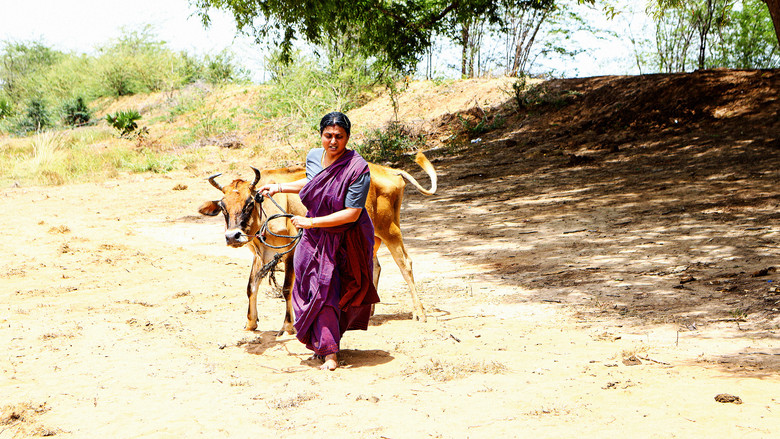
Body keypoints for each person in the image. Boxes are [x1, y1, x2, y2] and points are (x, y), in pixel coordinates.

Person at [259, 112, 379, 371]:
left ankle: (330, 352)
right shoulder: (314, 156)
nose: (333, 141)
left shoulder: (358, 168)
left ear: (347, 137)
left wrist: (311, 222)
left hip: (346, 237)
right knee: (308, 285)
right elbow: (313, 181)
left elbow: (352, 213)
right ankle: (322, 342)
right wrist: (278, 187)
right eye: (328, 136)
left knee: (330, 289)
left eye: (339, 136)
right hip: (314, 236)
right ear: (321, 135)